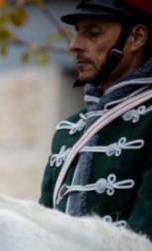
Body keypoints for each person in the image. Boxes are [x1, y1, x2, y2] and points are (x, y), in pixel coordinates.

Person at [39, 0, 152, 238]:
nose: (74, 45)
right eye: (77, 33)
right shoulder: (68, 130)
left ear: (137, 37)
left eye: (93, 33)